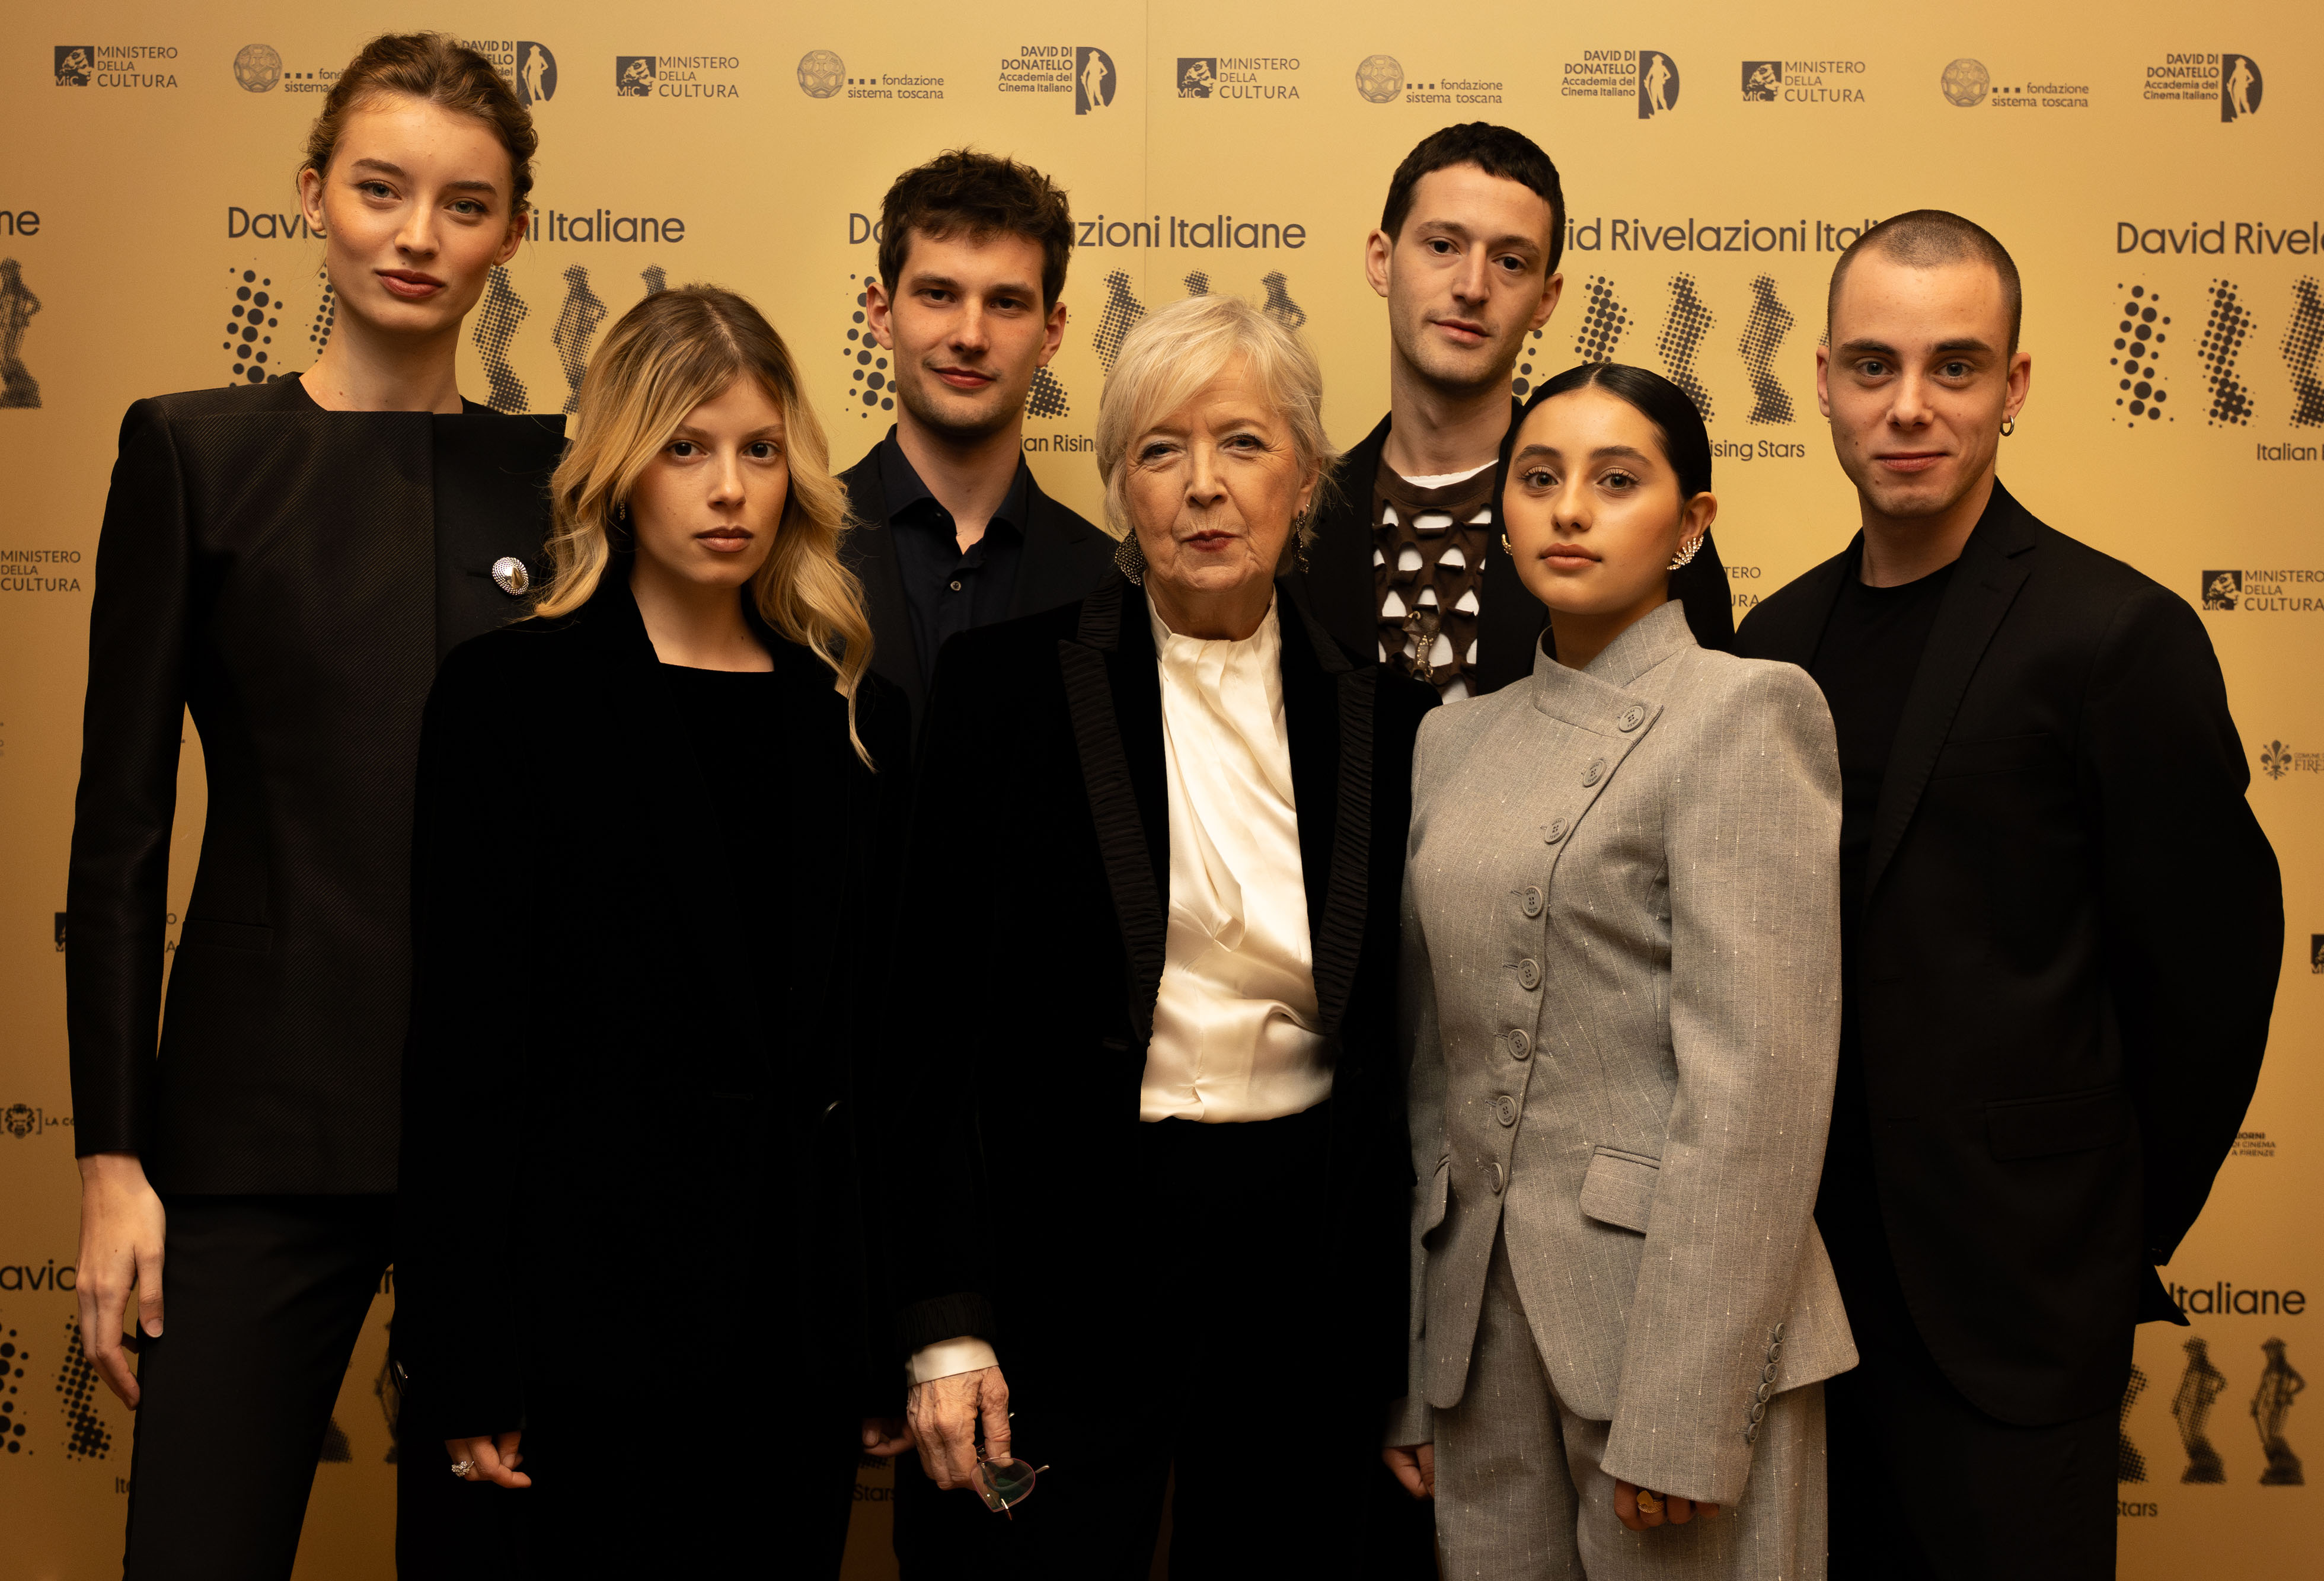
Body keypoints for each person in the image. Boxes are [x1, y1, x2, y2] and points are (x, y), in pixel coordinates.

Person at [63, 33, 561, 1579]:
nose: (417, 236)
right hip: (252, 1136)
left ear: (512, 234)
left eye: (464, 205)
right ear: (312, 195)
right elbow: (119, 834)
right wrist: (112, 1161)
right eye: (380, 189)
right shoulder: (194, 453)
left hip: (513, 1146)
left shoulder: (567, 479)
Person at [1736, 209, 2282, 1579]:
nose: (1908, 406)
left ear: (2013, 385)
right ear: (1820, 381)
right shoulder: (1769, 645)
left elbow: (2208, 985)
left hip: (2016, 1313)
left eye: (1954, 366)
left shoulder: (2114, 635)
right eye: (1873, 366)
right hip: (1796, 1314)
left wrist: (2097, 1237)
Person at [879, 294, 1439, 1578]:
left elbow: (1412, 1060)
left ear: (1306, 475)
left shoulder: (1393, 722)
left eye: (1243, 443)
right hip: (1064, 1259)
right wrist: (945, 1321)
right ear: (1119, 483)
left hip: (1305, 1269)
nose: (1203, 486)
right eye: (1159, 449)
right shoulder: (999, 692)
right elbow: (924, 1036)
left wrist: (1408, 1348)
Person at [395, 284, 908, 1577]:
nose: (729, 488)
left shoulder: (852, 714)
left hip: (790, 1351)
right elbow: (462, 1052)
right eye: (685, 447)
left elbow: (873, 1056)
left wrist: (871, 1329)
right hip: (571, 1343)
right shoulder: (506, 699)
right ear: (621, 467)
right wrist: (461, 1350)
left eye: (759, 449)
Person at [1387, 362, 1852, 1577]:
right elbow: (1433, 1081)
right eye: (1538, 478)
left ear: (1691, 522)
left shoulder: (1746, 712)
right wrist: (1417, 1365)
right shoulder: (1449, 739)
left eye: (1615, 480)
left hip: (1672, 1339)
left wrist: (1690, 1408)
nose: (1569, 509)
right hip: (1480, 1350)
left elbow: (1755, 1095)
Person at [1304, 123, 1732, 702]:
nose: (1472, 286)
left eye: (1510, 261)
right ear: (1382, 261)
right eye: (1442, 246)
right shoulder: (1303, 516)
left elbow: (1699, 725)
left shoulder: (1633, 520)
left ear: (1545, 300)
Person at [839, 149, 1116, 736]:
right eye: (938, 294)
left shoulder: (1112, 583)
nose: (970, 336)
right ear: (882, 315)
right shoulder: (789, 544)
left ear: (1051, 333)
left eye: (1005, 303)